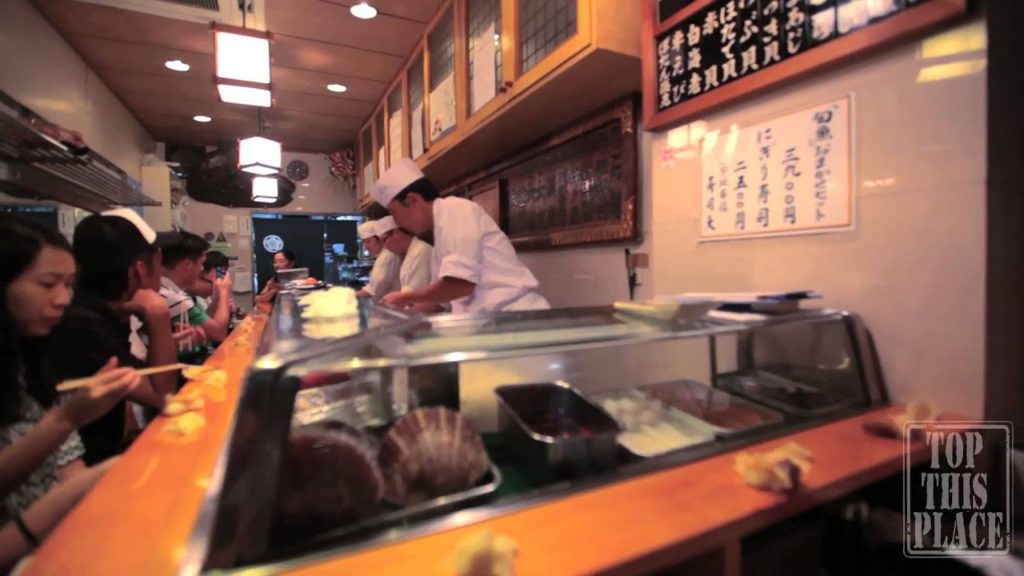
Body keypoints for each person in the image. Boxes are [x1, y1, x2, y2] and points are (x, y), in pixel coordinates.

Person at [0, 216, 141, 570]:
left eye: (68, 284)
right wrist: (66, 419)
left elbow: (69, 467)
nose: (64, 299)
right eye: (49, 284)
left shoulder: (27, 359)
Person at [47, 208, 179, 465]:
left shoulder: (101, 314)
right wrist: (159, 318)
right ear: (140, 270)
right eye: (159, 262)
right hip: (82, 478)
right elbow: (162, 397)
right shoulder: (83, 324)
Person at [371, 159, 550, 313]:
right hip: (489, 325)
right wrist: (402, 317)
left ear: (413, 200)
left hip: (515, 317)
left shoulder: (455, 209)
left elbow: (459, 285)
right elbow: (442, 302)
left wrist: (404, 298)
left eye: (394, 212)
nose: (397, 221)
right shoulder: (439, 232)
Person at [159, 232, 230, 345]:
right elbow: (219, 333)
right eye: (201, 263)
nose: (201, 269)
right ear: (187, 264)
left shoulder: (172, 291)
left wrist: (216, 299)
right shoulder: (172, 297)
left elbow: (207, 323)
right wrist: (224, 290)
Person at [376, 216, 433, 294]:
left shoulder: (421, 251)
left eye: (385, 240)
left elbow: (415, 293)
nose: (385, 246)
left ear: (397, 233)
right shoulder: (409, 253)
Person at [356, 220, 401, 300]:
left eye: (368, 242)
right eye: (364, 243)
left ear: (380, 239)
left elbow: (374, 290)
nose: (366, 247)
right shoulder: (384, 255)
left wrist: (348, 297)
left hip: (390, 308)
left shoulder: (387, 256)